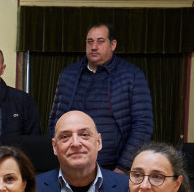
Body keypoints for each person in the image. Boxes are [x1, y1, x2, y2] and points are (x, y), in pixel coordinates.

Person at [47, 23, 152, 173]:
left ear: (113, 45)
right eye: (90, 42)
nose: (94, 47)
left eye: (100, 41)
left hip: (114, 168)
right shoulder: (68, 75)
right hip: (71, 167)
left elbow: (143, 126)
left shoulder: (132, 76)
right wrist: (62, 158)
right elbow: (55, 122)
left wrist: (123, 168)